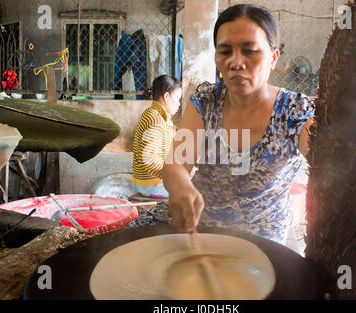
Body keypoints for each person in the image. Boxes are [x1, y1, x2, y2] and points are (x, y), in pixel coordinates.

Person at [132, 4, 315, 245]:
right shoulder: (207, 101)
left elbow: (331, 166)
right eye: (225, 51)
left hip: (260, 244)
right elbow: (176, 164)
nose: (236, 62)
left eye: (250, 51)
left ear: (273, 57)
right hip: (199, 230)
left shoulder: (295, 112)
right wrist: (181, 188)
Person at [131, 75, 182, 198]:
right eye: (177, 99)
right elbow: (150, 160)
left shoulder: (157, 115)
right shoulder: (155, 119)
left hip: (150, 182)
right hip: (151, 185)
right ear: (166, 97)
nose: (179, 104)